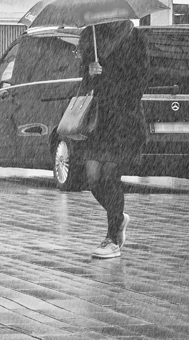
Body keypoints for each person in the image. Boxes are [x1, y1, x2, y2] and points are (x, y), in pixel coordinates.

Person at [77, 20, 149, 259]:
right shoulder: (91, 37)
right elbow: (84, 81)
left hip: (123, 120)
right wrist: (90, 72)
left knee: (109, 175)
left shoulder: (135, 38)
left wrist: (116, 81)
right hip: (98, 120)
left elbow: (141, 79)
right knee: (92, 178)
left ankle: (112, 239)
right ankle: (117, 216)